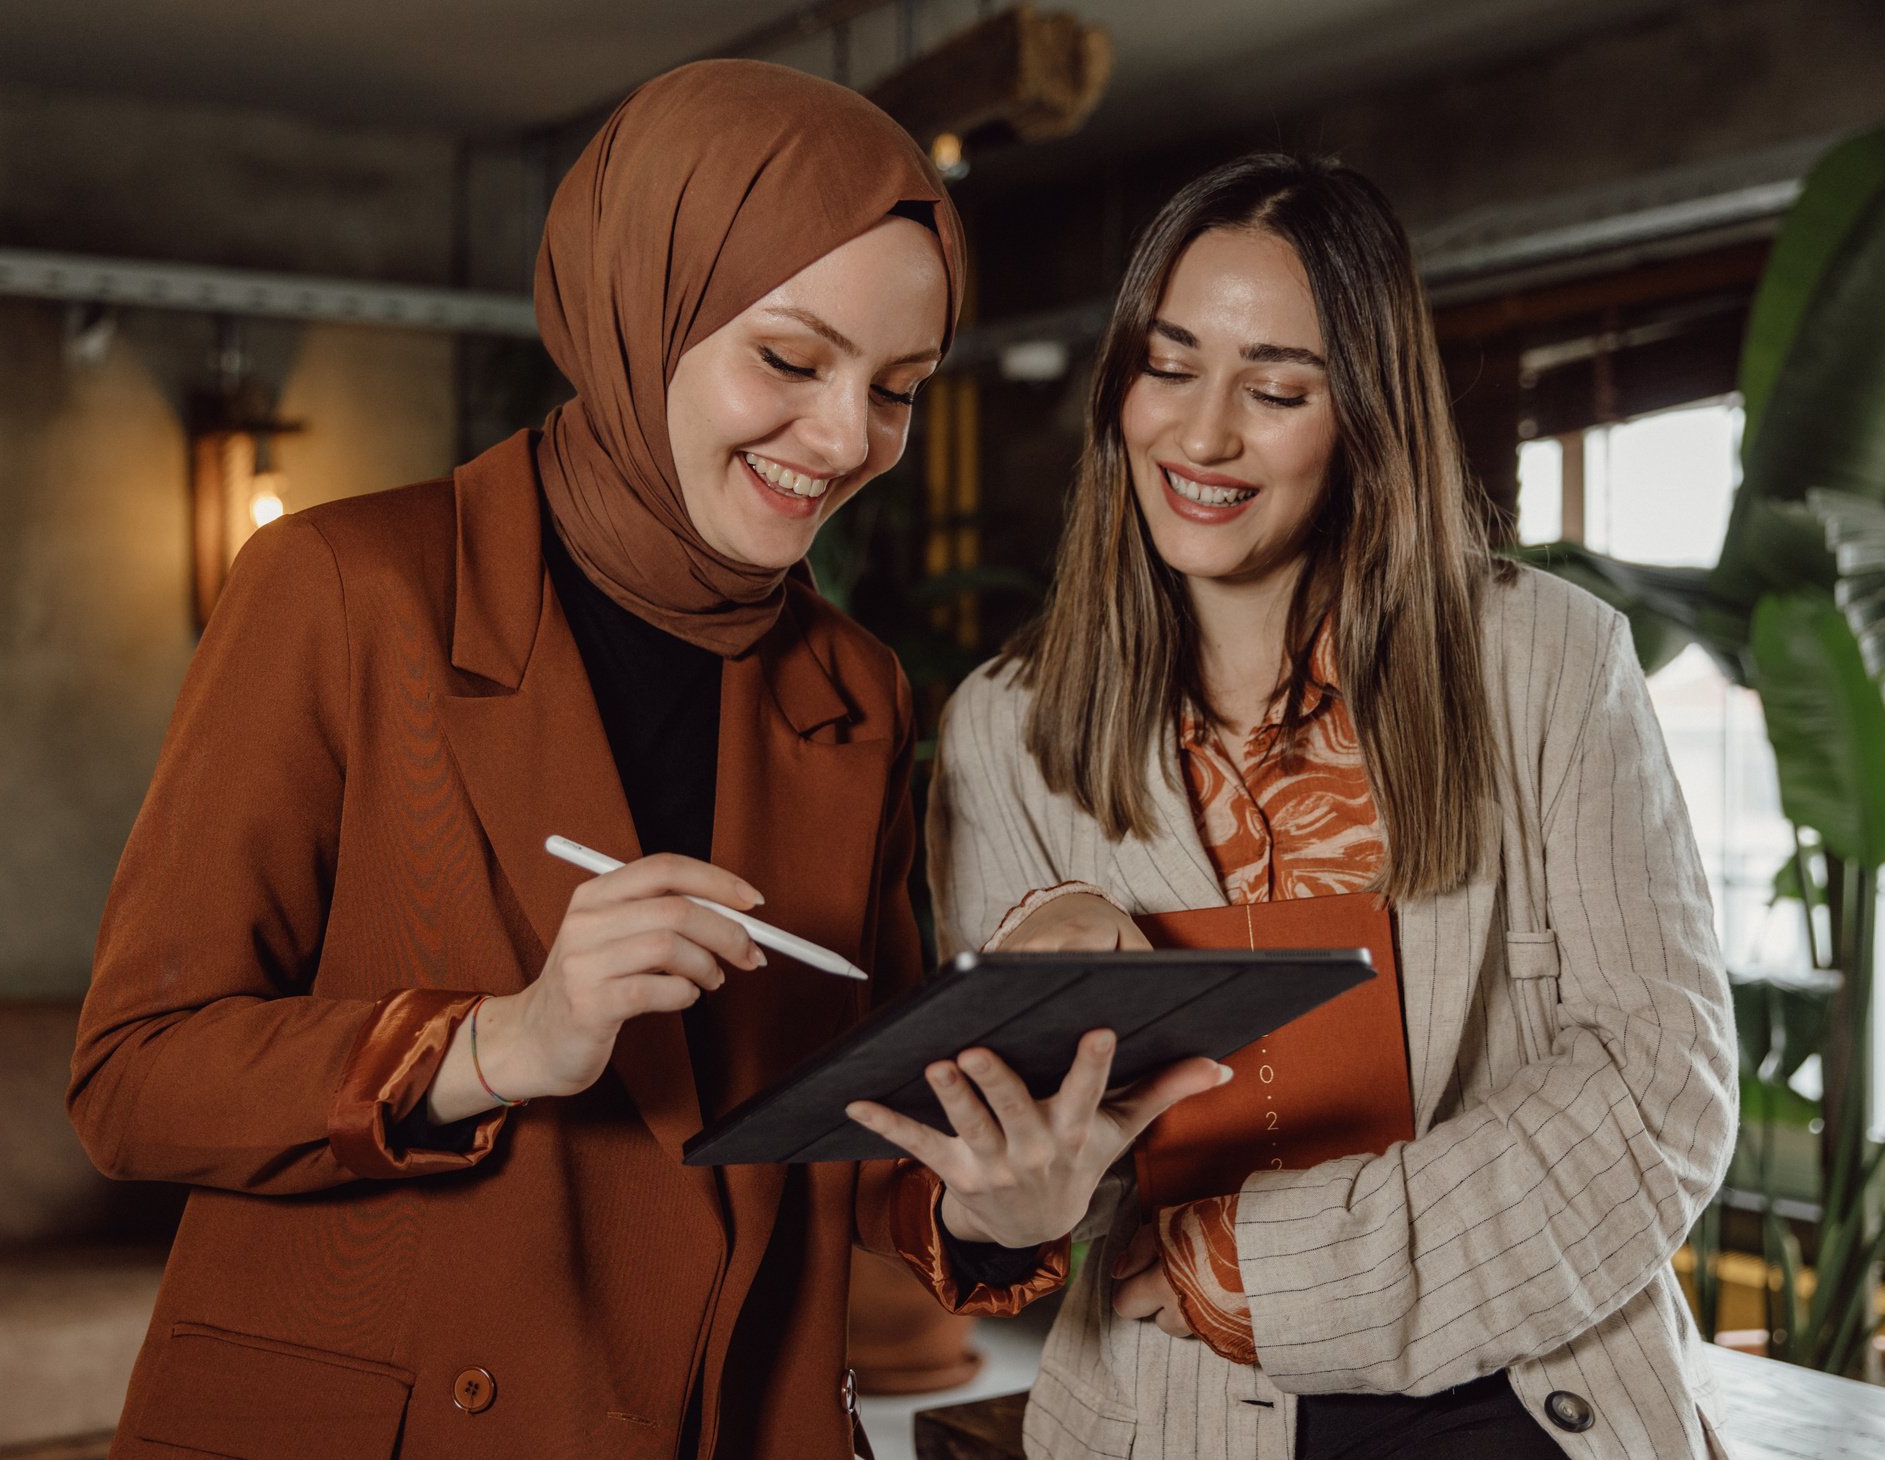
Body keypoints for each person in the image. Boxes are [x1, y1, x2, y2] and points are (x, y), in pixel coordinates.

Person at [68, 60, 1220, 1460]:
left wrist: (995, 1207)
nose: (847, 438)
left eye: (898, 388)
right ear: (639, 310)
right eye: (789, 361)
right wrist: (496, 1043)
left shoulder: (849, 688)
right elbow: (132, 1081)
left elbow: (844, 1126)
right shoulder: (341, 587)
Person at [921, 154, 1738, 1460]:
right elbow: (1045, 1205)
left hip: (1529, 1398)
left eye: (1277, 388)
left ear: (1362, 413)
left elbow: (1658, 1096)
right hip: (1168, 1407)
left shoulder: (1547, 666)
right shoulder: (1003, 734)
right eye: (1169, 365)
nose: (1202, 434)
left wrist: (1263, 1268)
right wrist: (1008, 1192)